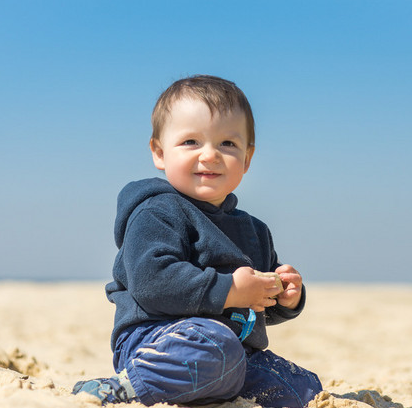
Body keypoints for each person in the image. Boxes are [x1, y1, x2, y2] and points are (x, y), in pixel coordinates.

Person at [72, 75, 322, 407]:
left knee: (303, 388)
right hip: (162, 341)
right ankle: (123, 389)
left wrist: (284, 296)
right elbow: (153, 282)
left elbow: (255, 304)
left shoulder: (254, 230)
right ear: (160, 153)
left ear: (247, 159)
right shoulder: (157, 212)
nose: (210, 155)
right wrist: (230, 289)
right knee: (216, 350)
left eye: (227, 144)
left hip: (236, 351)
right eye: (191, 142)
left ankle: (213, 390)